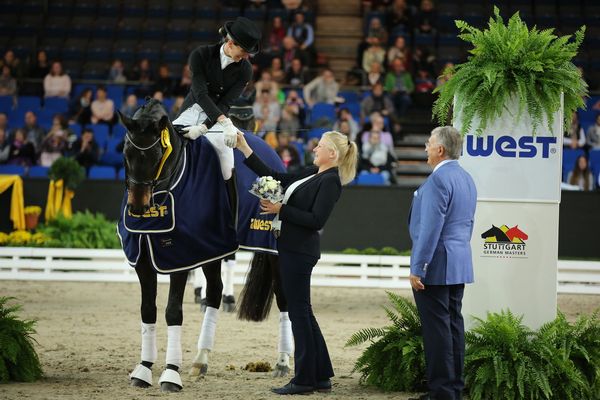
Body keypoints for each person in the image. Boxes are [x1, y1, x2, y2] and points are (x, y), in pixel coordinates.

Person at [235, 130, 358, 395]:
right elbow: (276, 177)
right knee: (304, 312)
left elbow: (316, 220)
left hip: (300, 251)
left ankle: (303, 380)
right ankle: (322, 375)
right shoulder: (311, 173)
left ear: (332, 154)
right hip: (291, 247)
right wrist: (245, 148)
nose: (315, 149)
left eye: (320, 146)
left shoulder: (330, 181)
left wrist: (281, 210)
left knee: (299, 314)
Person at [407, 126, 477, 400]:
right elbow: (467, 224)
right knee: (453, 327)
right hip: (458, 261)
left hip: (436, 264)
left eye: (428, 143)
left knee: (437, 331)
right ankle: (453, 388)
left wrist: (418, 266)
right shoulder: (466, 178)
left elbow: (430, 229)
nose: (425, 148)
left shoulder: (438, 181)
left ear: (440, 149)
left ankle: (442, 392)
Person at [172, 16, 261, 184]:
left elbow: (226, 102)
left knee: (228, 162)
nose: (245, 57)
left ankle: (231, 209)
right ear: (230, 43)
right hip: (193, 108)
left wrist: (205, 127)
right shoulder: (201, 55)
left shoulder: (245, 69)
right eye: (243, 52)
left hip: (219, 115)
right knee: (168, 144)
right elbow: (200, 94)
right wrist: (221, 122)